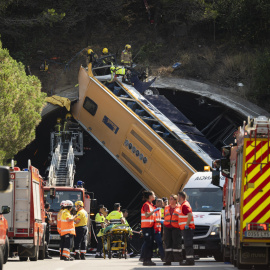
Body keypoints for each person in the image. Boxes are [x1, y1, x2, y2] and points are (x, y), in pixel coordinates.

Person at [141, 190, 159, 266]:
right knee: (148, 243)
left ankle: (149, 259)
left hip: (150, 227)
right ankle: (146, 260)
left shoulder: (151, 205)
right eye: (153, 195)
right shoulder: (146, 205)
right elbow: (147, 215)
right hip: (146, 227)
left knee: (150, 243)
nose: (155, 196)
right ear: (150, 196)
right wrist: (154, 211)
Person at [163, 194, 183, 266]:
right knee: (168, 244)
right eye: (169, 199)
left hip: (176, 227)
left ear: (175, 200)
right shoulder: (166, 207)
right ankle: (168, 260)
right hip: (167, 227)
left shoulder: (180, 207)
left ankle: (179, 260)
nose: (170, 200)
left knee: (177, 244)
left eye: (171, 199)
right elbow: (165, 216)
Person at [178, 191, 195, 266]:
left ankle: (190, 260)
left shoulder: (184, 205)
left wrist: (187, 225)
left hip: (187, 228)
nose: (177, 198)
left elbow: (190, 215)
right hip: (186, 228)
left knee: (188, 244)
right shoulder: (183, 205)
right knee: (187, 244)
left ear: (181, 197)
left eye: (178, 196)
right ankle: (189, 260)